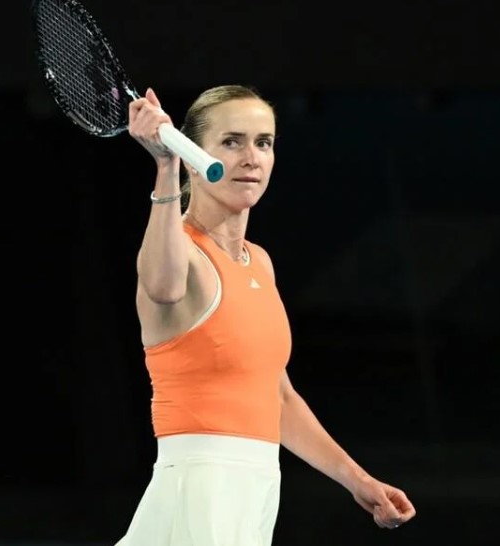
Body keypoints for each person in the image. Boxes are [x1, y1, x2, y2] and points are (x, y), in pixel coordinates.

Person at [116, 84, 416, 546]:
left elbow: (279, 398)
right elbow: (163, 286)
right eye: (231, 142)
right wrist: (165, 166)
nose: (251, 158)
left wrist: (359, 481)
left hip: (257, 489)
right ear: (193, 155)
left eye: (263, 142)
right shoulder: (181, 252)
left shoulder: (259, 262)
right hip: (201, 486)